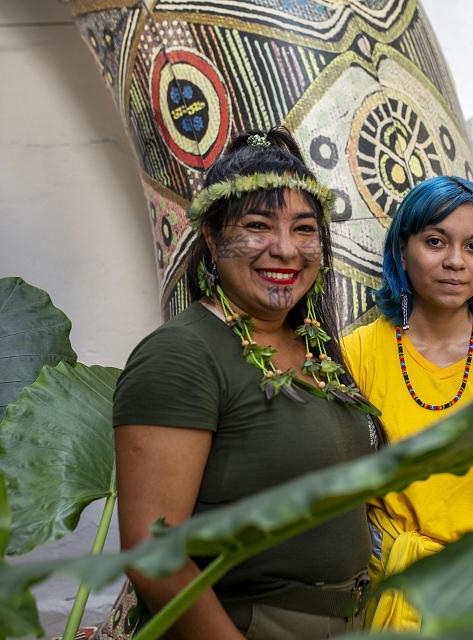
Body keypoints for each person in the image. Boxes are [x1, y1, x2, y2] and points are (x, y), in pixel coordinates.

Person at [108, 128, 381, 639]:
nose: (285, 249)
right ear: (211, 237)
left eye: (304, 230)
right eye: (258, 226)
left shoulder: (317, 347)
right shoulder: (183, 356)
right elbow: (152, 553)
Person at [342, 176, 473, 631]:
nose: (455, 262)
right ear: (403, 250)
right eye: (436, 242)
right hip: (392, 588)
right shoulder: (358, 354)